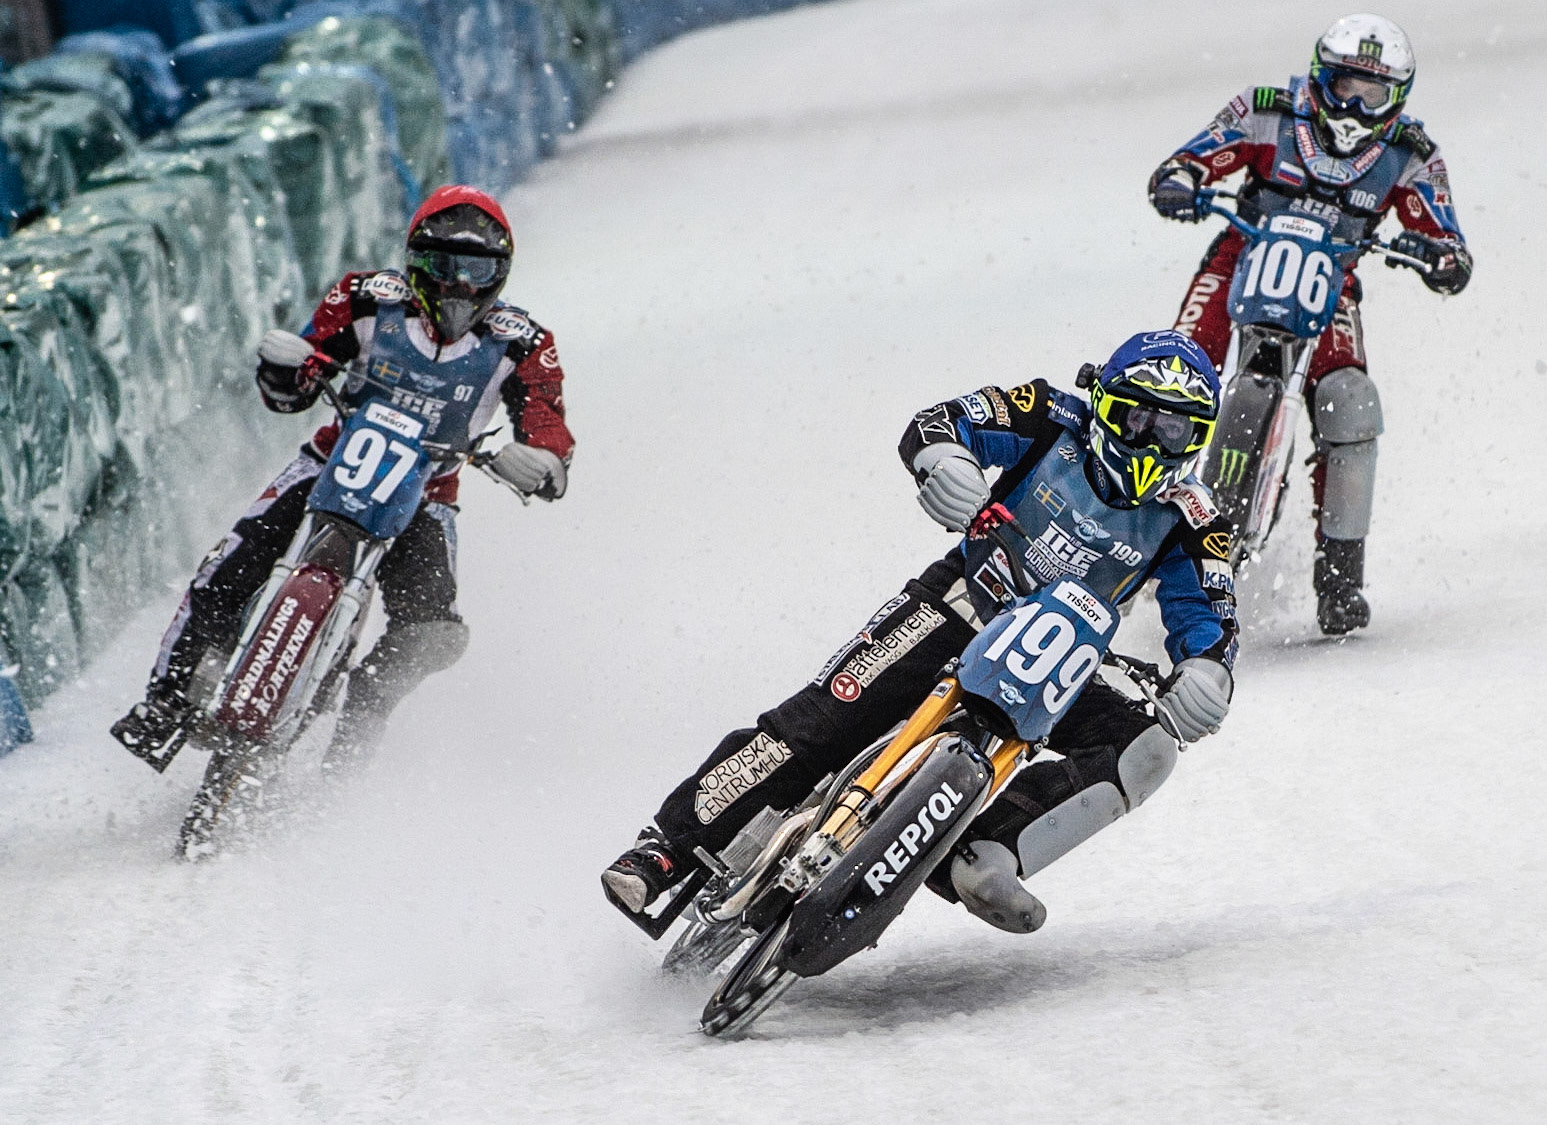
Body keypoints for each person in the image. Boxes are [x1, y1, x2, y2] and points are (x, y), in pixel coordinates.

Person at [603, 330, 1238, 934]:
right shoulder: (1050, 416)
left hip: (1058, 663)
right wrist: (946, 462)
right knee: (823, 720)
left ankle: (988, 854)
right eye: (1137, 419)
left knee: (1147, 750)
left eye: (1173, 429)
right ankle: (666, 852)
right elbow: (942, 421)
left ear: (1197, 438)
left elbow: (1211, 611)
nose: (1149, 443)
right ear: (1104, 403)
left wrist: (1207, 668)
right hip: (959, 604)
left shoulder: (1195, 520)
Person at [111, 185, 574, 766]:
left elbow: (546, 425)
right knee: (226, 567)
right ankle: (167, 700)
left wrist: (541, 463)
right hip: (330, 461)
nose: (458, 285)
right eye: (442, 266)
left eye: (475, 270)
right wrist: (285, 370)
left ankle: (359, 726)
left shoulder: (523, 342)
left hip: (428, 491)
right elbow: (299, 380)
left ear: (499, 274)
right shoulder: (364, 300)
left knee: (431, 628)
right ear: (414, 262)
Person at [1147, 13, 1471, 634]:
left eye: (1372, 93)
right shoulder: (1267, 110)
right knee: (1169, 376)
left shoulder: (1410, 154)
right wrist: (1180, 181)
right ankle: (1124, 513)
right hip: (1241, 252)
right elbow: (1192, 156)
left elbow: (1447, 236)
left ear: (1396, 98)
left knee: (1350, 400)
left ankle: (1341, 576)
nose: (1354, 104)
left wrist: (1443, 257)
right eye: (1346, 84)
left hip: (1334, 280)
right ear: (1322, 76)